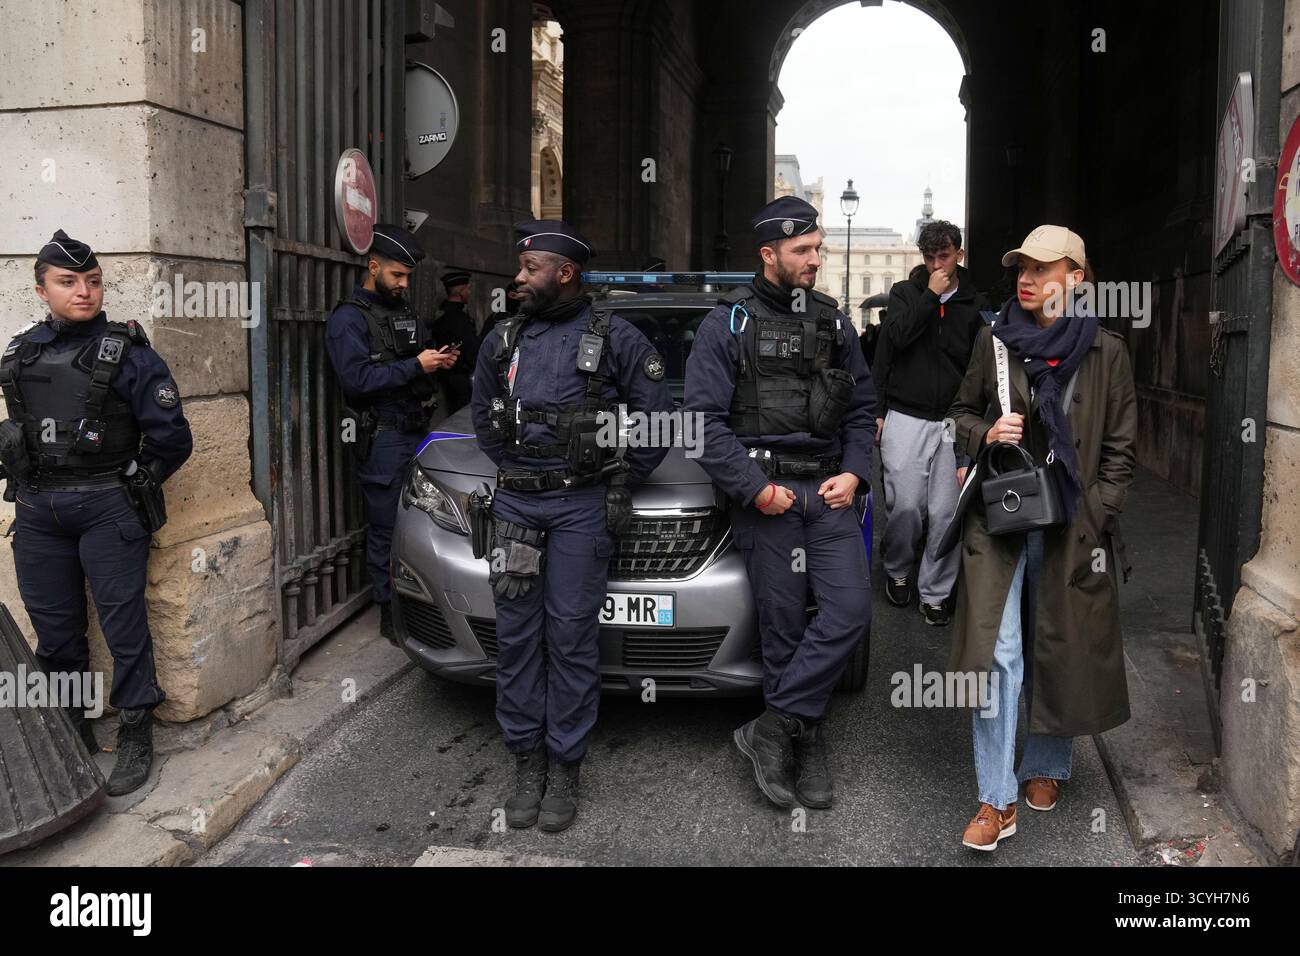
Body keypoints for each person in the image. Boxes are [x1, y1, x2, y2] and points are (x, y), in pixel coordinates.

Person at [470, 219, 673, 832]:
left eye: (530, 269)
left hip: (582, 507)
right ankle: (527, 761)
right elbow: (482, 410)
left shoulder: (617, 336)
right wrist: (514, 468)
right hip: (516, 509)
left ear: (566, 273)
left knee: (572, 639)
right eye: (520, 267)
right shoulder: (502, 338)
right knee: (517, 637)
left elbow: (655, 418)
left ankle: (565, 764)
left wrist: (621, 478)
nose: (518, 278)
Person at [944, 225, 1136, 850]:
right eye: (1020, 267)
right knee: (1000, 653)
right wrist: (985, 433)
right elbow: (958, 414)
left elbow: (1120, 450)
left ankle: (1047, 764)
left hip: (1072, 525)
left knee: (1060, 639)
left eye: (1041, 268)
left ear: (1075, 279)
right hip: (1000, 521)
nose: (1025, 278)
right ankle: (995, 799)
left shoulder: (1107, 352)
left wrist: (1099, 515)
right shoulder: (993, 341)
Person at [683, 196, 876, 809]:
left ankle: (773, 726)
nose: (816, 259)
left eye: (819, 247)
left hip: (827, 492)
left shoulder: (835, 323)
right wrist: (753, 488)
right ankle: (805, 738)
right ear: (768, 255)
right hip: (767, 496)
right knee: (784, 626)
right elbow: (701, 423)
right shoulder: (727, 325)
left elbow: (864, 410)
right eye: (803, 251)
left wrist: (853, 473)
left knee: (849, 613)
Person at [0, 229, 193, 795]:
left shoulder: (129, 353)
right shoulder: (18, 355)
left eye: (93, 281)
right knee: (56, 635)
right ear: (41, 289)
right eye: (68, 282)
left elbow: (172, 438)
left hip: (107, 507)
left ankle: (136, 729)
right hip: (38, 512)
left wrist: (135, 485)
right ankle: (72, 729)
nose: (83, 291)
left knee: (123, 626)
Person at [325, 224, 458, 640]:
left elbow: (409, 365)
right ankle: (389, 611)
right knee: (387, 527)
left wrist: (436, 363)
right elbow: (356, 380)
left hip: (417, 429)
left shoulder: (402, 312)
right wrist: (417, 366)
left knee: (422, 521)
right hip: (383, 437)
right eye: (397, 275)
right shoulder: (348, 319)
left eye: (407, 277)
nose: (403, 284)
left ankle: (422, 602)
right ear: (373, 265)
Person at [873, 220, 989, 624]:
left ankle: (935, 591)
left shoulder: (975, 304)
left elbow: (982, 368)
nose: (937, 263)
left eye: (945, 255)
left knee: (944, 512)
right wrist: (877, 409)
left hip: (954, 420)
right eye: (929, 256)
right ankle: (898, 569)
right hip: (906, 412)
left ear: (959, 253)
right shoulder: (906, 294)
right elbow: (893, 343)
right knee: (905, 504)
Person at [432, 270, 480, 414]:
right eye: (468, 289)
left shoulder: (442, 314)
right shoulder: (459, 318)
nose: (470, 292)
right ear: (461, 291)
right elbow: (471, 350)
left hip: (444, 377)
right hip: (459, 379)